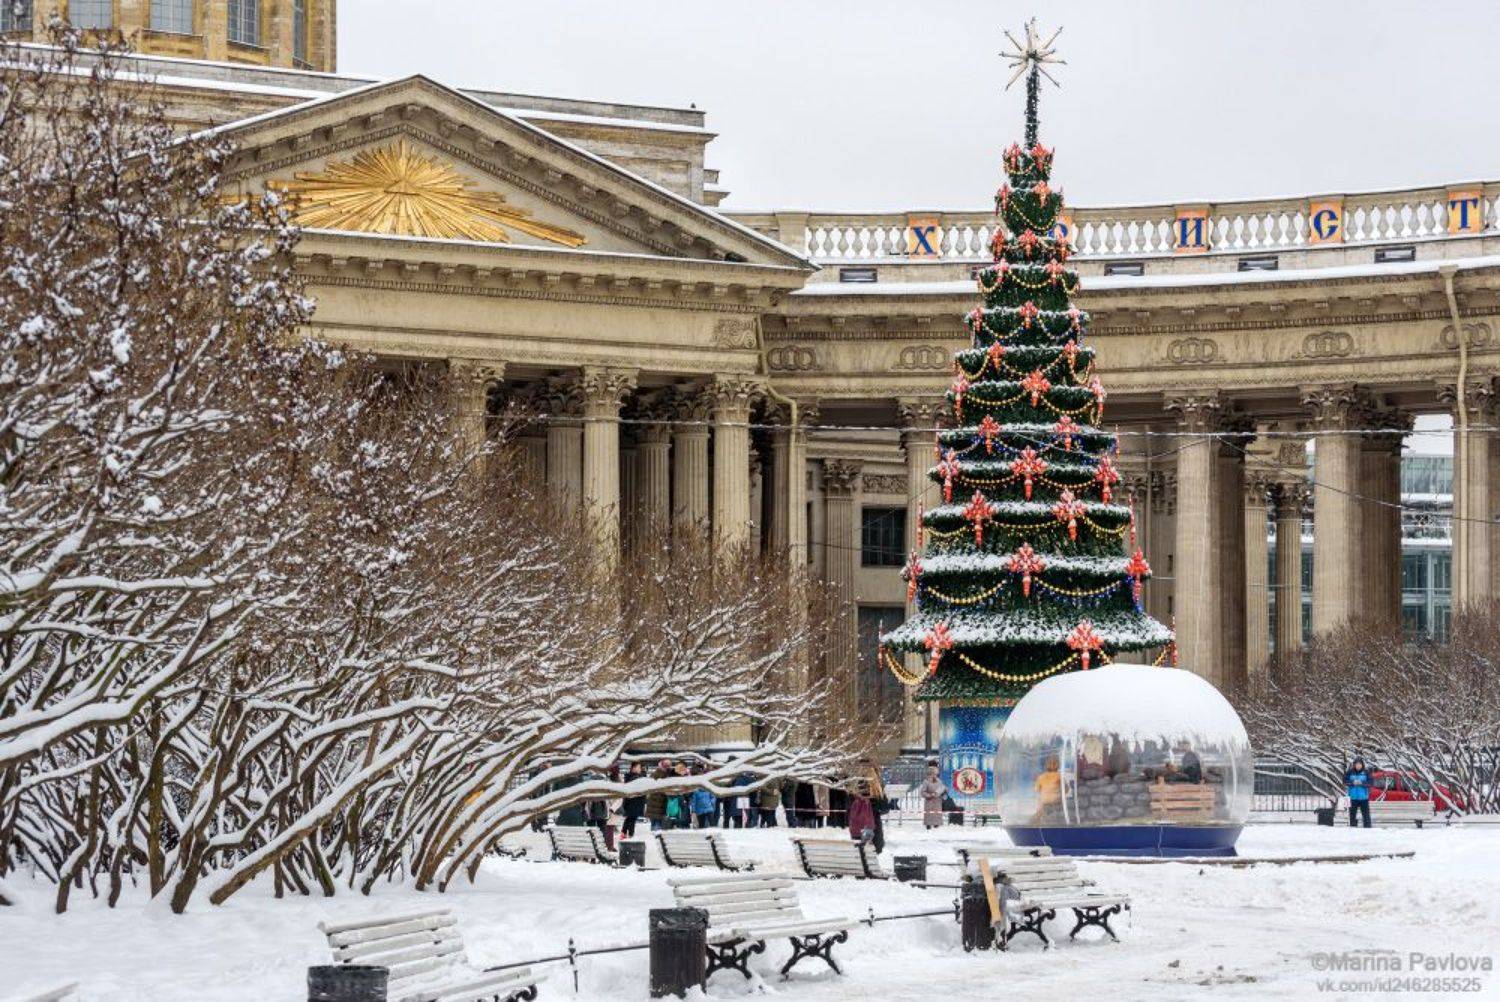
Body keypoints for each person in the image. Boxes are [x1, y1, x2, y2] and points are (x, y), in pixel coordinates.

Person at [1344, 756, 1373, 828]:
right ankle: (1353, 829)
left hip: (1364, 798)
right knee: (1352, 815)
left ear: (1362, 765)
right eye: (1356, 764)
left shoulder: (1366, 772)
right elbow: (1345, 781)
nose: (1358, 766)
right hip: (1353, 798)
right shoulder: (1350, 772)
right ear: (1354, 765)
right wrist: (1352, 782)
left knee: (1366, 816)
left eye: (1360, 764)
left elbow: (1371, 783)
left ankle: (1368, 830)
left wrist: (1362, 783)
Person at [919, 762, 948, 830]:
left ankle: (936, 825)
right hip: (929, 802)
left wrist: (944, 790)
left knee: (937, 816)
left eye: (936, 773)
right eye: (934, 773)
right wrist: (930, 795)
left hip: (937, 801)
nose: (935, 775)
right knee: (929, 815)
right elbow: (922, 792)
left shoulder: (939, 781)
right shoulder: (926, 781)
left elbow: (942, 788)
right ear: (930, 773)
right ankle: (928, 826)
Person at [1032, 755, 1062, 823]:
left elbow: (1036, 789)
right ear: (1058, 765)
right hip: (1056, 800)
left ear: (1046, 765)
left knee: (1039, 800)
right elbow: (1066, 789)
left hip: (1044, 800)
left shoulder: (1041, 777)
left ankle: (1038, 819)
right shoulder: (1059, 776)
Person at [621, 762, 646, 839]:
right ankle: (630, 835)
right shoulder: (634, 777)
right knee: (632, 818)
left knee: (630, 818)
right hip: (633, 802)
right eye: (638, 767)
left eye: (640, 767)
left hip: (635, 801)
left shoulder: (635, 776)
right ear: (633, 768)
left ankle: (624, 833)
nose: (640, 769)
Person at [847, 780, 876, 845]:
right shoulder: (865, 802)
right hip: (864, 830)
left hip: (859, 830)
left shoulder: (858, 802)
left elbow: (853, 816)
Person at [644, 765, 670, 831]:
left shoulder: (652, 775)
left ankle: (654, 837)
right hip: (659, 805)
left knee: (653, 824)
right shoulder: (664, 777)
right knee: (658, 825)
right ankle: (657, 838)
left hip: (651, 805)